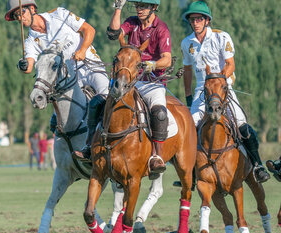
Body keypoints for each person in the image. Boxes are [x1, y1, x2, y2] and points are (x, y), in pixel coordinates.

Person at [4, 0, 110, 161]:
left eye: (22, 13)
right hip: (70, 81)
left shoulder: (59, 14)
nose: (20, 18)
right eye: (17, 16)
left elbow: (89, 30)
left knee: (107, 96)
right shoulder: (31, 41)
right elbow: (29, 67)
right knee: (60, 118)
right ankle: (74, 155)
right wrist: (22, 64)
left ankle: (113, 143)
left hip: (90, 67)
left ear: (32, 9)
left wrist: (82, 50)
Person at [180, 0, 270, 183]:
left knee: (240, 122)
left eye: (199, 19)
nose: (195, 22)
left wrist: (218, 81)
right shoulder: (186, 43)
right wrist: (188, 97)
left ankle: (258, 165)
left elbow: (230, 64)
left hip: (223, 88)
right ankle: (190, 171)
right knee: (189, 126)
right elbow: (187, 71)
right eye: (192, 19)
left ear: (207, 20)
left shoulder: (221, 37)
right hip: (201, 91)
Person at [103, 0, 171, 176]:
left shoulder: (161, 28)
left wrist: (152, 64)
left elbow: (167, 59)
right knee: (101, 103)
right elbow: (114, 33)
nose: (139, 10)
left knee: (160, 113)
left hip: (152, 82)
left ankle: (157, 156)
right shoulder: (131, 22)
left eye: (144, 6)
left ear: (154, 8)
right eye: (137, 6)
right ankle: (92, 145)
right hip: (130, 80)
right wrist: (118, 9)